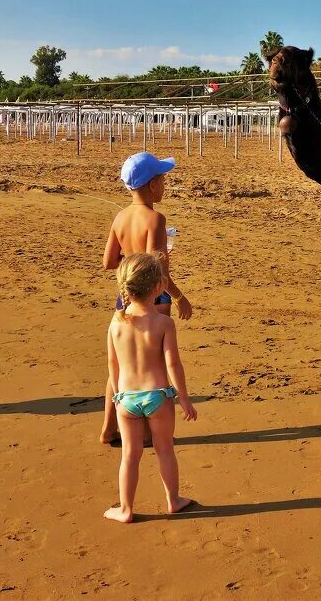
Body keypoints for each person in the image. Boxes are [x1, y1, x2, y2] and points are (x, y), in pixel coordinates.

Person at [100, 151, 193, 445]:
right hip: (154, 298)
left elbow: (109, 262)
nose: (165, 184)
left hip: (126, 296)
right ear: (152, 185)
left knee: (121, 364)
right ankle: (153, 428)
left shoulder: (121, 217)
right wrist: (180, 298)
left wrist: (132, 259)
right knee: (155, 364)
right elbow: (158, 271)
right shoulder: (155, 219)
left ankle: (109, 426)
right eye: (163, 179)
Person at [103, 253, 197, 523]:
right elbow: (173, 365)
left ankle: (125, 509)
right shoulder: (163, 323)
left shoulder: (116, 322)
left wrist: (117, 399)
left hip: (125, 398)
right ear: (158, 287)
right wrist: (184, 399)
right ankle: (173, 500)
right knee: (164, 449)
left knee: (129, 456)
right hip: (158, 396)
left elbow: (113, 365)